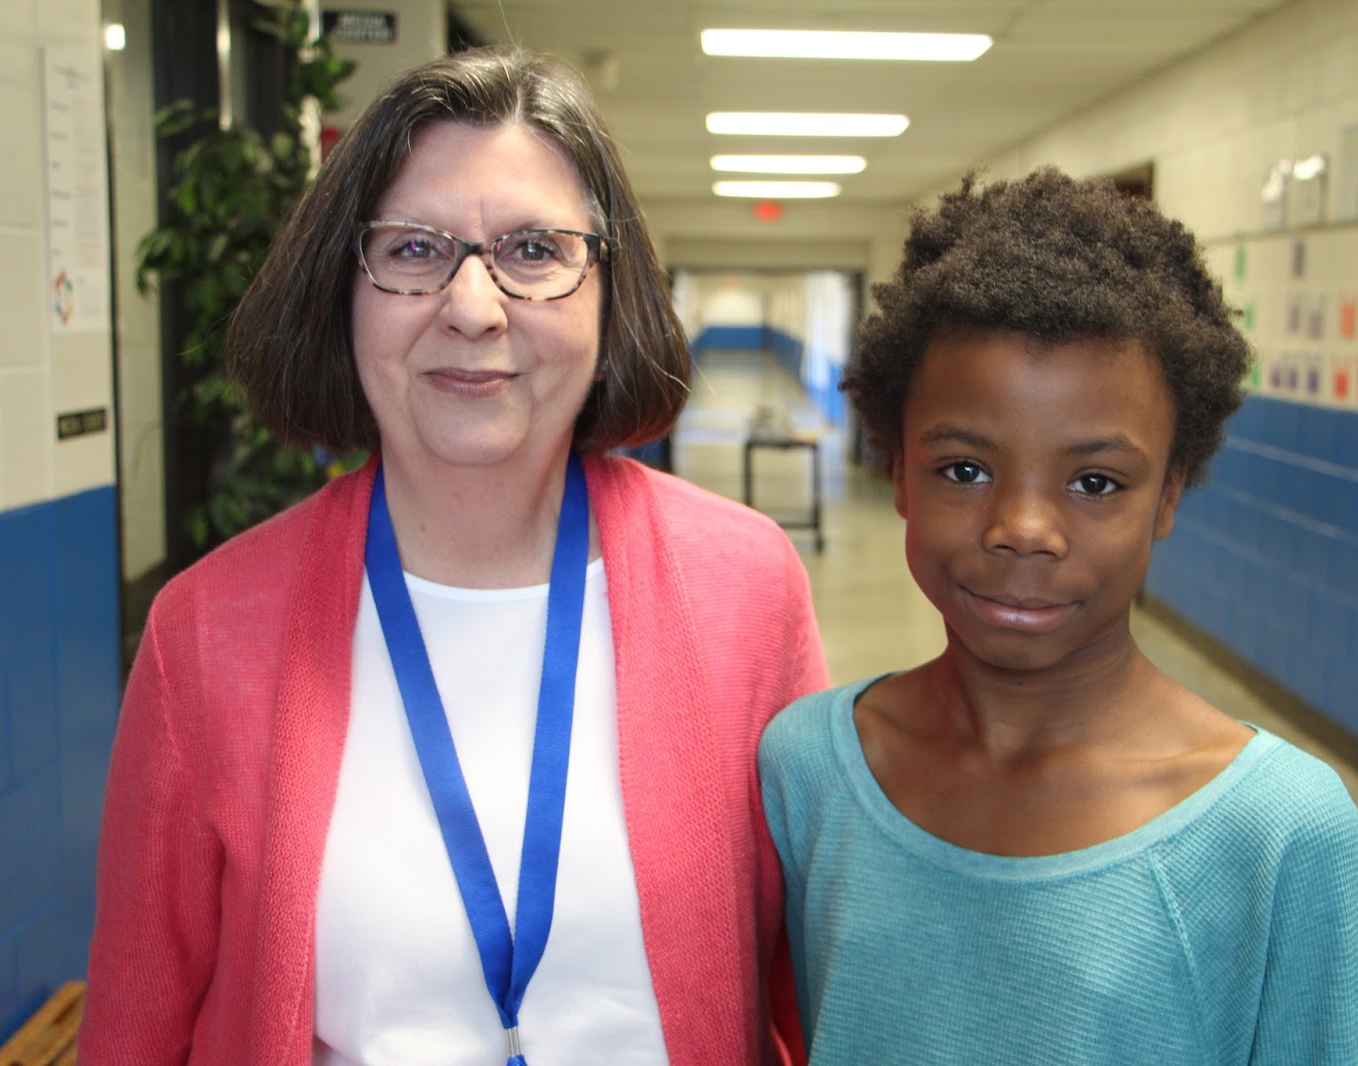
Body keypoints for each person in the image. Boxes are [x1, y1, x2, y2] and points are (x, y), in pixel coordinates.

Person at [80, 48, 827, 1066]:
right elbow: (136, 1024)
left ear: (610, 290)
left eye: (532, 249)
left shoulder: (744, 588)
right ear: (342, 287)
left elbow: (813, 993)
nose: (472, 307)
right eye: (415, 248)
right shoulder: (208, 631)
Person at [758, 168, 1358, 1064]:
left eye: (1096, 483)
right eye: (964, 469)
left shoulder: (1279, 830)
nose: (1023, 530)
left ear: (1169, 495)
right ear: (897, 472)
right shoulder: (808, 767)